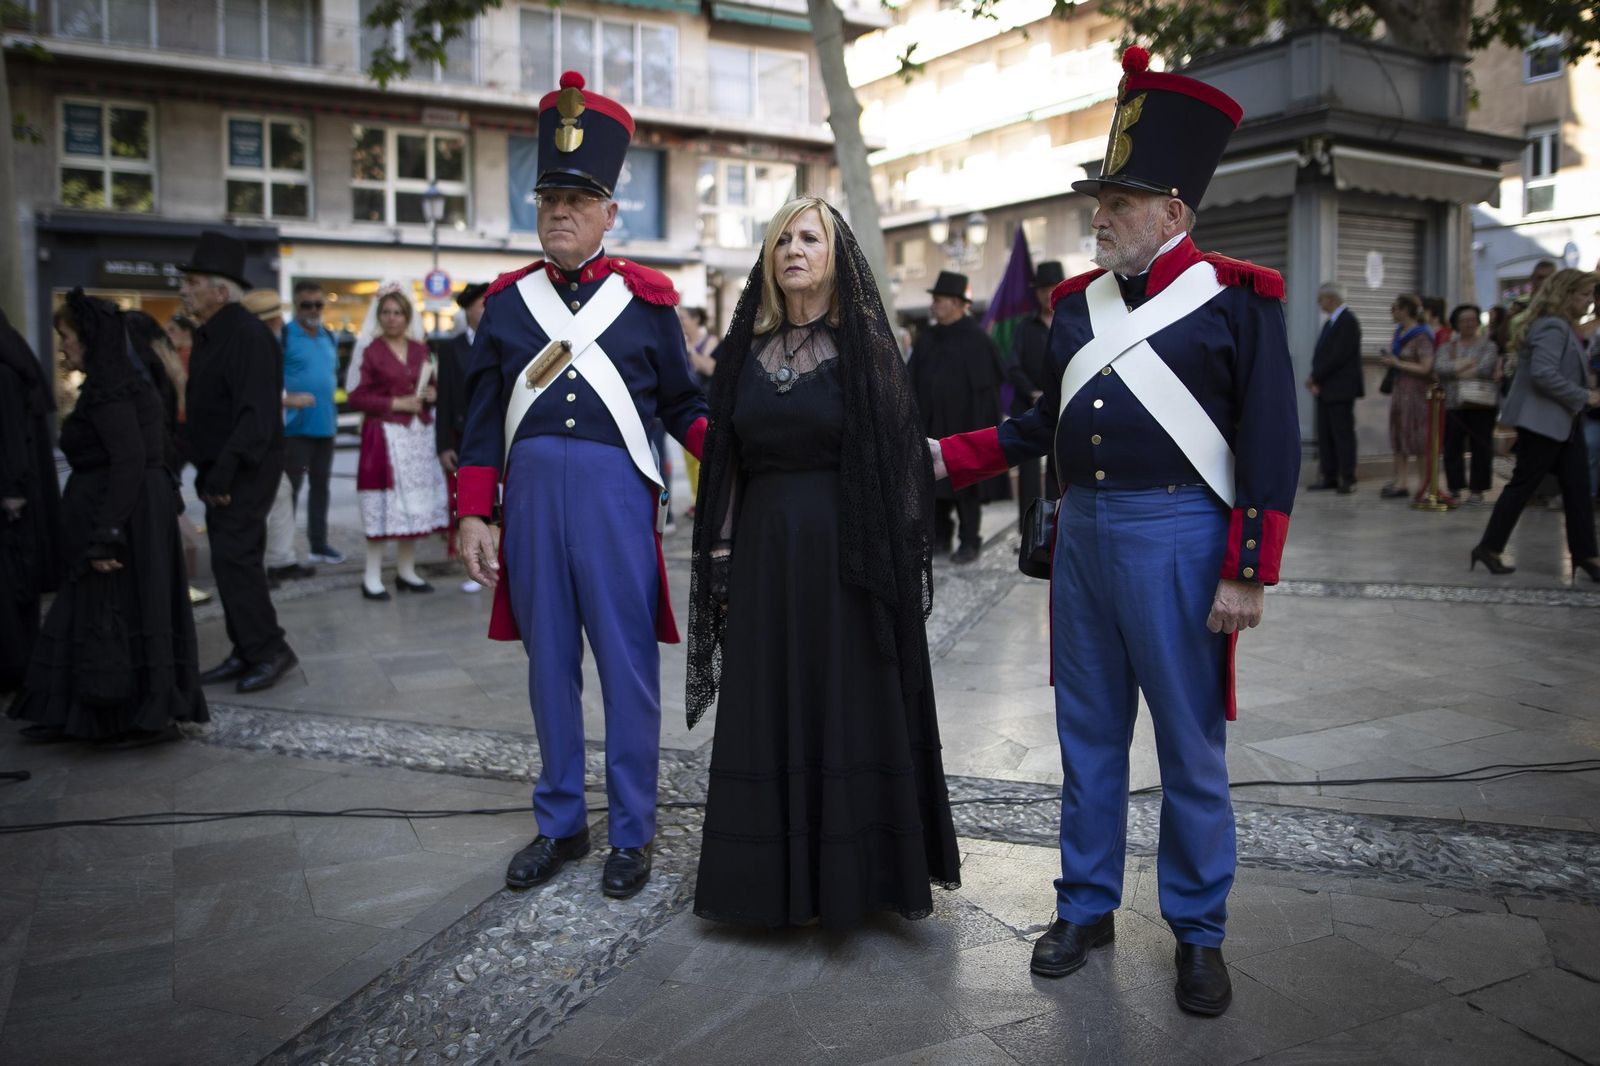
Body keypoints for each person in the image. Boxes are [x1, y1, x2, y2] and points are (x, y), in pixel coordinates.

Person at [929, 46, 1298, 1016]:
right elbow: (1032, 425)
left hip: (1181, 535)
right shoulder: (1072, 309)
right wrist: (938, 457)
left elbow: (1267, 440)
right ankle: (1084, 903)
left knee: (1187, 744)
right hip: (1084, 536)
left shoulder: (1235, 300)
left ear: (1173, 214)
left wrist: (1246, 569)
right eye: (1101, 199)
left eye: (1121, 201)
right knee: (1085, 734)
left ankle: (1198, 929)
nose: (1100, 215)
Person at [455, 71, 710, 901]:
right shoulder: (504, 305)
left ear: (609, 212)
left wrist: (744, 459)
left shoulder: (646, 303)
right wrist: (472, 515)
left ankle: (632, 831)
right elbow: (480, 418)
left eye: (579, 197)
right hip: (527, 507)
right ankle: (561, 821)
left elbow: (681, 404)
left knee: (628, 669)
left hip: (613, 504)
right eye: (549, 197)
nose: (561, 210)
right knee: (548, 666)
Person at [685, 197, 960, 929]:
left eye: (810, 238)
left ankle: (851, 883)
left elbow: (901, 459)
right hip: (765, 560)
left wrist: (888, 564)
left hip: (846, 558)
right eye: (783, 240)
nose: (794, 250)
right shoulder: (744, 352)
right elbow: (728, 465)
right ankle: (764, 886)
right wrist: (720, 556)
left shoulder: (864, 346)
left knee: (842, 704)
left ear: (836, 257)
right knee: (769, 704)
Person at [8, 292, 207, 744]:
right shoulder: (108, 383)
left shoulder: (115, 389)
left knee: (123, 614)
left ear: (90, 338)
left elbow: (129, 461)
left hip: (128, 518)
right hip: (124, 512)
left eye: (67, 338)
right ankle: (78, 710)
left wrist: (108, 534)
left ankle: (137, 714)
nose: (62, 348)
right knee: (95, 612)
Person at [180, 231, 299, 693]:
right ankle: (246, 648)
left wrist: (225, 472)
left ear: (220, 290)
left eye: (193, 282)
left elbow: (255, 416)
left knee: (238, 561)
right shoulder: (213, 334)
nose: (184, 289)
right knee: (229, 564)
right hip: (220, 470)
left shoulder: (247, 336)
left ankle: (270, 650)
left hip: (244, 471)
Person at [1472, 269, 1600, 579]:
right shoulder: (1553, 327)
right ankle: (1489, 547)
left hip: (1561, 422)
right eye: (1584, 295)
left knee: (1577, 488)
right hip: (1543, 422)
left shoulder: (1562, 327)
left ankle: (1586, 556)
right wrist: (1585, 396)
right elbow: (1543, 373)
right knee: (1523, 486)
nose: (1589, 302)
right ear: (1566, 294)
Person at [346, 283, 449, 599]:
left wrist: (432, 394)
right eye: (387, 313)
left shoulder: (420, 349)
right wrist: (394, 404)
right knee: (382, 503)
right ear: (380, 316)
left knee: (414, 505)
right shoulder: (371, 350)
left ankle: (407, 570)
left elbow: (430, 387)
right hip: (384, 435)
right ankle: (372, 575)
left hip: (417, 435)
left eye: (398, 313)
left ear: (407, 317)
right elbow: (356, 397)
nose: (392, 318)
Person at [909, 270, 1005, 563]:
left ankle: (969, 541)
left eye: (938, 300)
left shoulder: (976, 339)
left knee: (966, 487)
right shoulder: (928, 338)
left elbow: (988, 391)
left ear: (955, 302)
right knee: (932, 484)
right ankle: (939, 537)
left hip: (965, 426)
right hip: (932, 423)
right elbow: (910, 379)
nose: (933, 305)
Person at [0, 311, 64, 693]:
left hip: (12, 507)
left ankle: (14, 666)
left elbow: (11, 444)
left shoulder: (6, 376)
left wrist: (11, 494)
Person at [245, 289, 317, 586]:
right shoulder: (256, 349)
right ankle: (262, 566)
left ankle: (280, 560)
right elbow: (256, 399)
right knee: (261, 503)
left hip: (269, 438)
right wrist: (290, 402)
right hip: (257, 441)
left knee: (281, 494)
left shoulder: (264, 346)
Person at [283, 280, 345, 566]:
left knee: (321, 488)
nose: (313, 310)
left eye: (318, 304)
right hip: (295, 429)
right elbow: (267, 379)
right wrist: (287, 399)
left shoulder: (328, 336)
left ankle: (318, 545)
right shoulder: (284, 336)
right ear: (296, 305)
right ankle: (281, 551)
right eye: (307, 304)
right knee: (290, 491)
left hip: (326, 426)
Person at [436, 281, 488, 593]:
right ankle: (475, 567)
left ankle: (502, 560)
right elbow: (443, 400)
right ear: (468, 309)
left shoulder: (504, 341)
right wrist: (443, 445)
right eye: (483, 304)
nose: (488, 311)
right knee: (468, 503)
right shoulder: (451, 348)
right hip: (464, 435)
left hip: (500, 433)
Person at [1009, 261, 1066, 522]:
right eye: (1043, 288)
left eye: (1052, 287)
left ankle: (1057, 522)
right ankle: (1029, 526)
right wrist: (1031, 392)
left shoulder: (1072, 321)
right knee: (1029, 468)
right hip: (1030, 405)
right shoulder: (1024, 327)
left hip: (1066, 405)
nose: (1047, 294)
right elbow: (1012, 365)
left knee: (1061, 464)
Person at [1435, 304, 1500, 505]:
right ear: (1456, 323)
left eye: (1472, 319)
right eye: (1464, 320)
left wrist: (1456, 370)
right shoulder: (1447, 346)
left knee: (1480, 447)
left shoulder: (1489, 345)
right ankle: (1454, 486)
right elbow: (1440, 368)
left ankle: (1477, 489)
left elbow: (1485, 368)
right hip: (1454, 403)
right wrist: (1467, 365)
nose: (1469, 324)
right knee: (1452, 446)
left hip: (1481, 404)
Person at [1306, 281, 1362, 493]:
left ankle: (1348, 477)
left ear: (1330, 299)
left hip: (1340, 389)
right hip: (1325, 388)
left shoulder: (1348, 321)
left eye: (1321, 299)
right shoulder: (1330, 323)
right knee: (1326, 434)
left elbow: (1338, 356)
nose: (1319, 303)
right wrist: (1316, 379)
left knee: (1342, 433)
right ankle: (1329, 475)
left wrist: (1315, 377)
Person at [1378, 294, 1434, 499]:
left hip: (1417, 391)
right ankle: (1401, 481)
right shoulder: (1399, 333)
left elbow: (1427, 367)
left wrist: (1397, 364)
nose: (1392, 312)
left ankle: (1424, 483)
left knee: (1418, 436)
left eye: (1395, 308)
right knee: (1399, 433)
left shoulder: (1422, 335)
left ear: (1405, 310)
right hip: (1400, 389)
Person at [678, 305, 718, 515]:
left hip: (707, 405)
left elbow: (708, 367)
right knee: (689, 457)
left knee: (704, 456)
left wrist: (691, 349)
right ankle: (696, 499)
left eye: (683, 318)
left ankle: (708, 500)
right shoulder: (679, 341)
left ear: (695, 320)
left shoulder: (709, 341)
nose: (681, 321)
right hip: (687, 405)